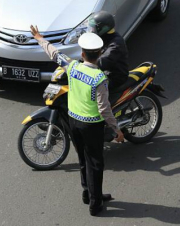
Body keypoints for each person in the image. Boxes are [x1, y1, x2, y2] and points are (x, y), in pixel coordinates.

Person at [30, 26, 125, 216]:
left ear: (82, 53)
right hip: (91, 126)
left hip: (73, 121)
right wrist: (117, 130)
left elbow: (54, 53)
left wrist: (39, 37)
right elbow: (104, 109)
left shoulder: (72, 66)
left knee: (83, 159)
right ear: (99, 54)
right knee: (96, 164)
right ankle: (95, 204)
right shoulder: (99, 78)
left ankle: (88, 193)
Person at [86, 11, 129, 92]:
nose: (91, 30)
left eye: (94, 28)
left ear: (103, 28)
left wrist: (85, 66)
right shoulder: (102, 37)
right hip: (104, 73)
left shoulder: (116, 44)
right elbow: (89, 53)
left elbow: (102, 62)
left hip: (115, 77)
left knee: (90, 90)